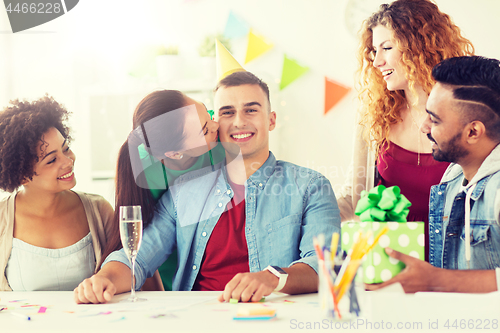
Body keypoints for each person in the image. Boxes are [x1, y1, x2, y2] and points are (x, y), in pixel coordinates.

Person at [74, 71, 340, 304]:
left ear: (271, 120)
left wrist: (272, 278)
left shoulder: (311, 187)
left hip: (271, 319)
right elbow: (139, 259)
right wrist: (104, 279)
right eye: (227, 112)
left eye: (251, 110)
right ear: (216, 123)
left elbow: (325, 266)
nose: (238, 122)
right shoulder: (182, 193)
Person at [337, 0, 474, 260]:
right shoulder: (374, 115)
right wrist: (311, 210)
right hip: (391, 261)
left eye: (386, 48)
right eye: (374, 50)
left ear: (421, 47)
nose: (377, 61)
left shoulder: (469, 111)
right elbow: (355, 195)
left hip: (454, 258)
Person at [366, 56, 500, 293]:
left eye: (435, 119)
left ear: (473, 131)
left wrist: (435, 280)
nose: (424, 126)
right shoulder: (451, 179)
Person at [99, 89, 223, 291]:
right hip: (165, 264)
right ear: (174, 153)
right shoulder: (144, 172)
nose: (216, 124)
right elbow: (147, 245)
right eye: (204, 130)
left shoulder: (221, 148)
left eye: (207, 113)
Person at [0, 96, 114, 291]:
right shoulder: (3, 218)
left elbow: (130, 274)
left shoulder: (99, 210)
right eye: (52, 160)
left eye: (66, 149)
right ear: (22, 176)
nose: (68, 161)